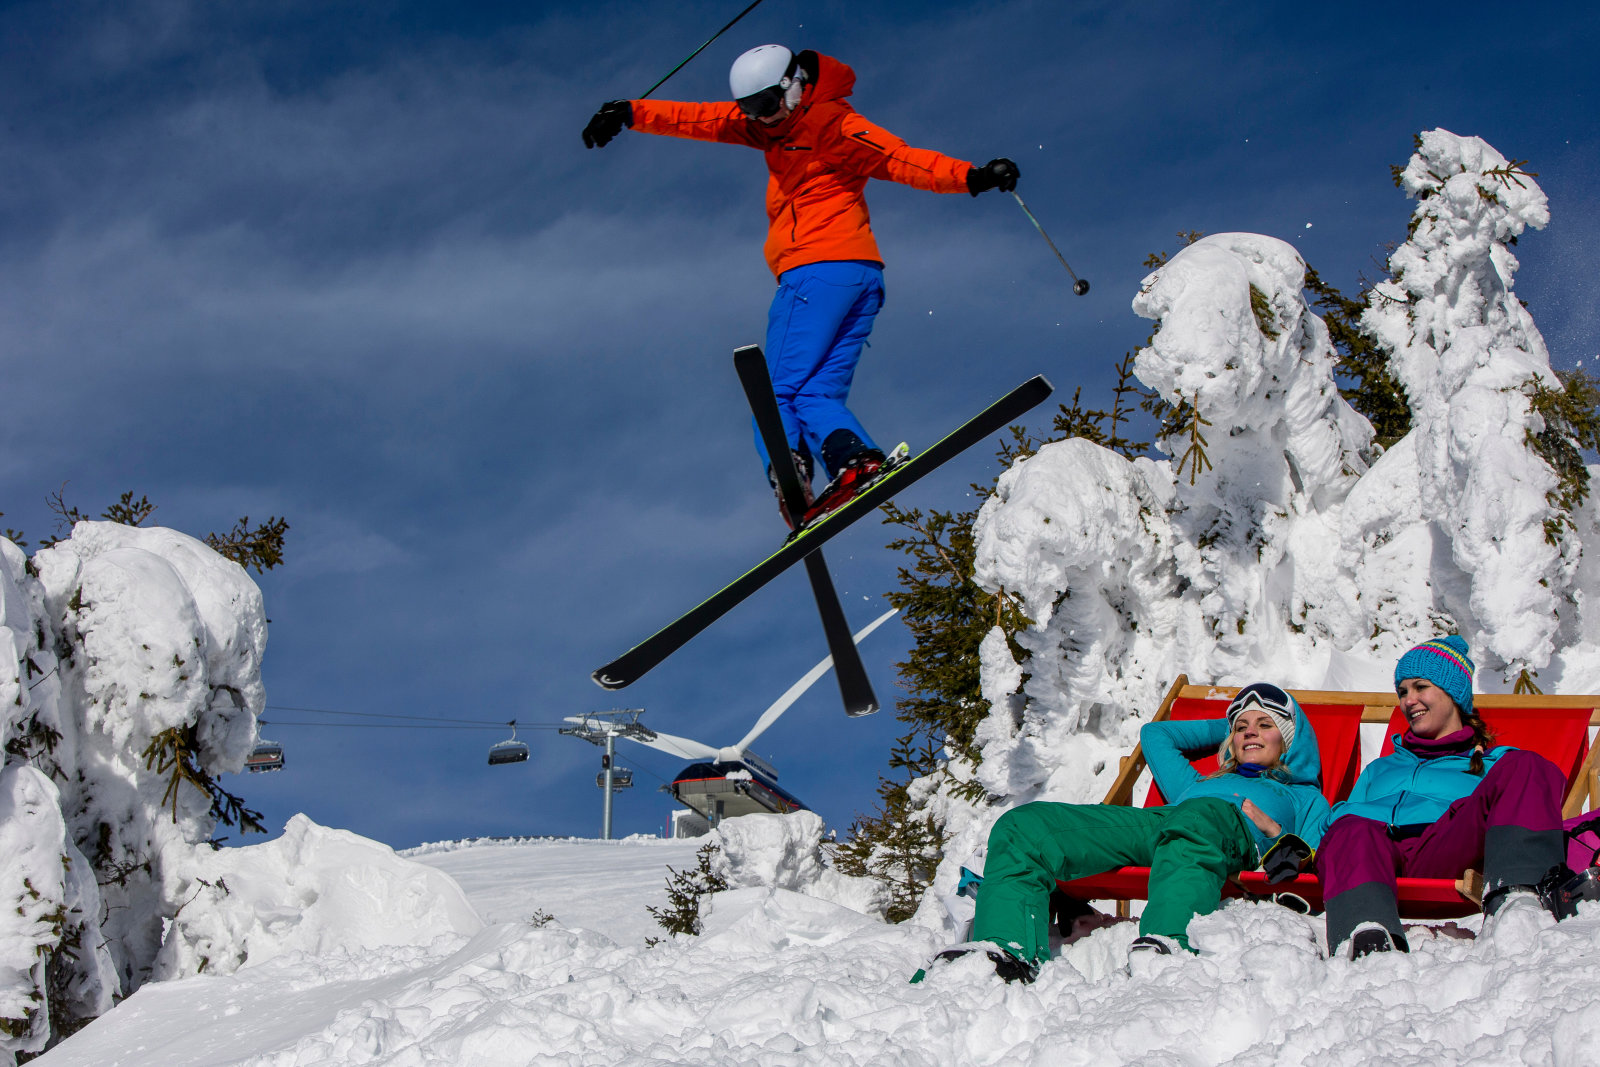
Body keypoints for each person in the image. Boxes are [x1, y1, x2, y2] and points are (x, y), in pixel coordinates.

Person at [583, 45, 1019, 527]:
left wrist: (971, 176)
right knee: (815, 395)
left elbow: (900, 159)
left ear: (793, 85)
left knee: (777, 393)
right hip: (860, 278)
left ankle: (790, 470)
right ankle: (856, 462)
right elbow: (700, 118)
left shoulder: (834, 124)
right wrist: (630, 112)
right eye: (750, 108)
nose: (760, 117)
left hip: (818, 271)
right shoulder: (769, 126)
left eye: (766, 104)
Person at [918, 682, 1329, 983]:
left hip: (1230, 834)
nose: (1249, 731)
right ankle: (1007, 950)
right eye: (1242, 727)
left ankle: (1169, 939)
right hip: (1168, 823)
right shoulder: (1196, 784)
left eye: (1265, 724)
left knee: (1199, 816)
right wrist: (1227, 726)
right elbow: (1156, 734)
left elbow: (1309, 853)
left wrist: (1274, 833)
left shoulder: (1302, 795)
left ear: (1289, 740)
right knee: (1024, 825)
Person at [1313, 635, 1568, 959]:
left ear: (1453, 692)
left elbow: (1529, 800)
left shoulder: (1494, 764)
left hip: (1445, 848)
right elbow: (1336, 826)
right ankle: (1364, 934)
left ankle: (1516, 900)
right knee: (1352, 826)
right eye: (1402, 692)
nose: (1409, 700)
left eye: (1421, 687)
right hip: (1373, 857)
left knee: (1527, 765)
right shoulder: (1380, 768)